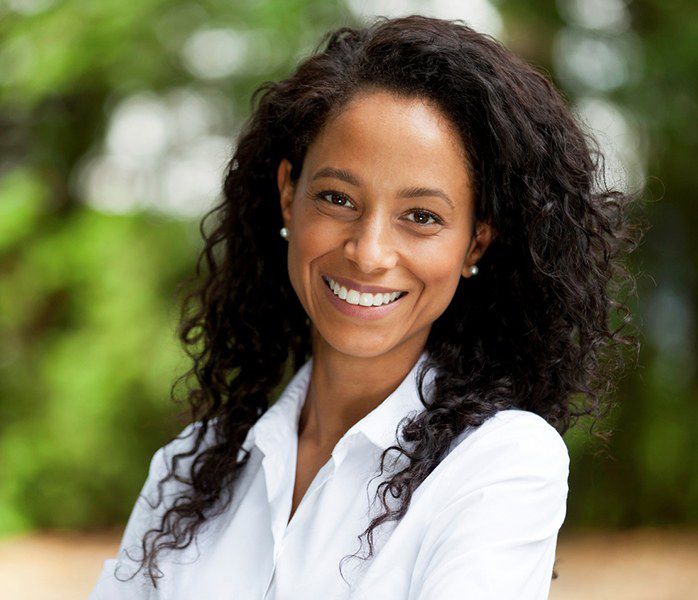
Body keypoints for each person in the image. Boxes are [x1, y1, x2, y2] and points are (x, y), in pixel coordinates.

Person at [89, 13, 640, 600]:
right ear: (287, 197)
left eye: (422, 216)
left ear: (475, 242)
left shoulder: (499, 466)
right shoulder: (190, 470)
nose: (368, 251)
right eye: (337, 198)